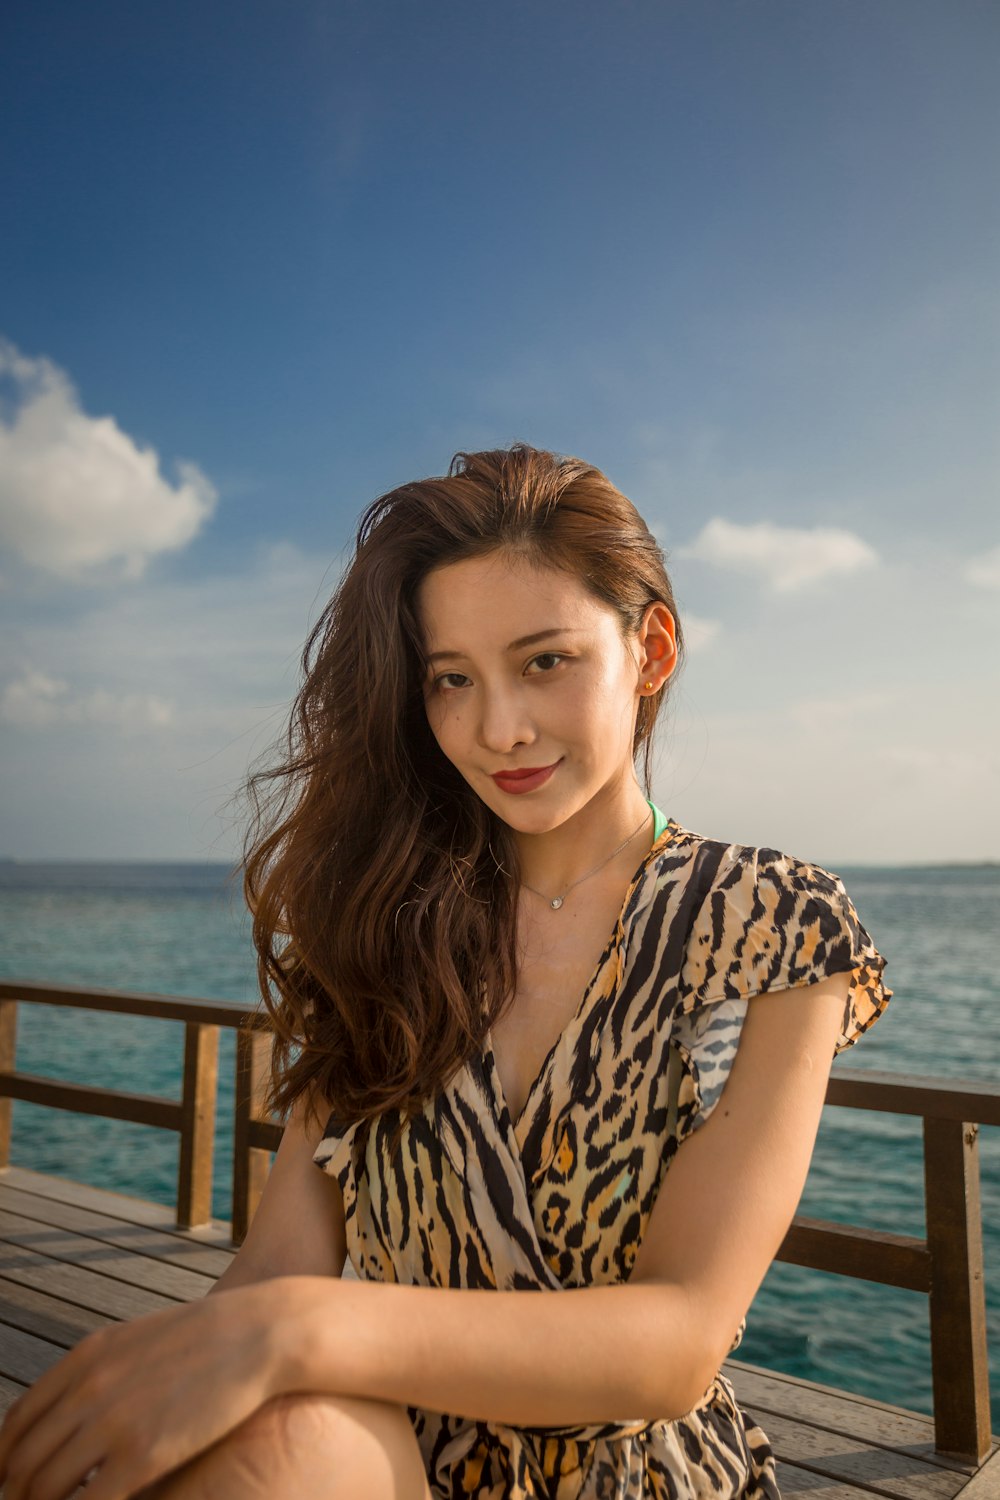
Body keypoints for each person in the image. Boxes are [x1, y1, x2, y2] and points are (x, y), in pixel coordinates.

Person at [0, 443, 892, 1500]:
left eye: (544, 661)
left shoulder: (770, 923)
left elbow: (678, 1339)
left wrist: (295, 1329)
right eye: (450, 680)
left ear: (648, 651)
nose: (496, 727)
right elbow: (281, 1262)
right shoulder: (381, 919)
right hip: (381, 1450)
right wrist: (218, 1361)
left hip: (625, 1472)